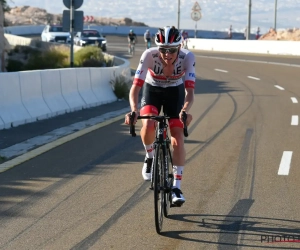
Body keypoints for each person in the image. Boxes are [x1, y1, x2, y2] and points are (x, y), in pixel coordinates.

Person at [124, 26, 196, 206]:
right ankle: (150, 157)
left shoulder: (187, 57)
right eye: (163, 50)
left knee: (178, 137)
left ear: (179, 47)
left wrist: (185, 111)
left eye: (171, 50)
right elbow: (135, 89)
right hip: (152, 90)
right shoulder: (149, 55)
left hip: (175, 92)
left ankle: (176, 187)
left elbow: (190, 93)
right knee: (148, 125)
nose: (167, 54)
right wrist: (133, 110)